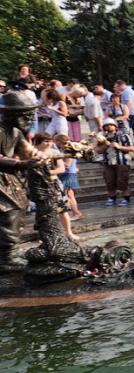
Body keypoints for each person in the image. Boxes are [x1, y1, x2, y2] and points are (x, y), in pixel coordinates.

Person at [0, 91, 39, 273]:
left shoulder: (15, 132)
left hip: (9, 179)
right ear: (12, 113)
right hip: (3, 178)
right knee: (8, 214)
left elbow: (29, 152)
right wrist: (20, 163)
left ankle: (11, 251)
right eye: (26, 114)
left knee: (17, 211)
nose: (30, 118)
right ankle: (6, 256)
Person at [34, 133, 80, 241]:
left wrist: (47, 172)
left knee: (62, 210)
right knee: (43, 211)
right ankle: (44, 235)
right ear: (38, 142)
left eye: (50, 141)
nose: (49, 143)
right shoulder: (31, 153)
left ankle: (68, 233)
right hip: (38, 185)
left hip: (54, 183)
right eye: (46, 141)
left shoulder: (54, 152)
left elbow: (61, 169)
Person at [94, 118, 134, 206]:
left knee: (122, 181)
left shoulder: (124, 135)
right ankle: (112, 198)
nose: (109, 127)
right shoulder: (102, 138)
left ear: (115, 126)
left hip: (122, 162)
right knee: (109, 181)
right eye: (106, 125)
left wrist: (119, 147)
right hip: (107, 163)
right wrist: (105, 145)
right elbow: (97, 150)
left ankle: (126, 198)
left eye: (111, 125)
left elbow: (133, 148)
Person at [54, 134, 83, 221]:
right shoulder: (66, 149)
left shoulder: (68, 150)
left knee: (68, 195)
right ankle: (75, 213)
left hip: (67, 174)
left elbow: (67, 164)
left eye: (56, 141)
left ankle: (76, 213)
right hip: (67, 174)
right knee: (69, 195)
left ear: (59, 141)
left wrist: (54, 163)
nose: (55, 143)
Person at [114, 80, 134, 152]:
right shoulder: (132, 91)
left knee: (124, 131)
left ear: (120, 85)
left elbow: (129, 103)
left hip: (131, 114)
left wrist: (125, 114)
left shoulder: (126, 92)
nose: (115, 89)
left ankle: (128, 148)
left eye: (116, 87)